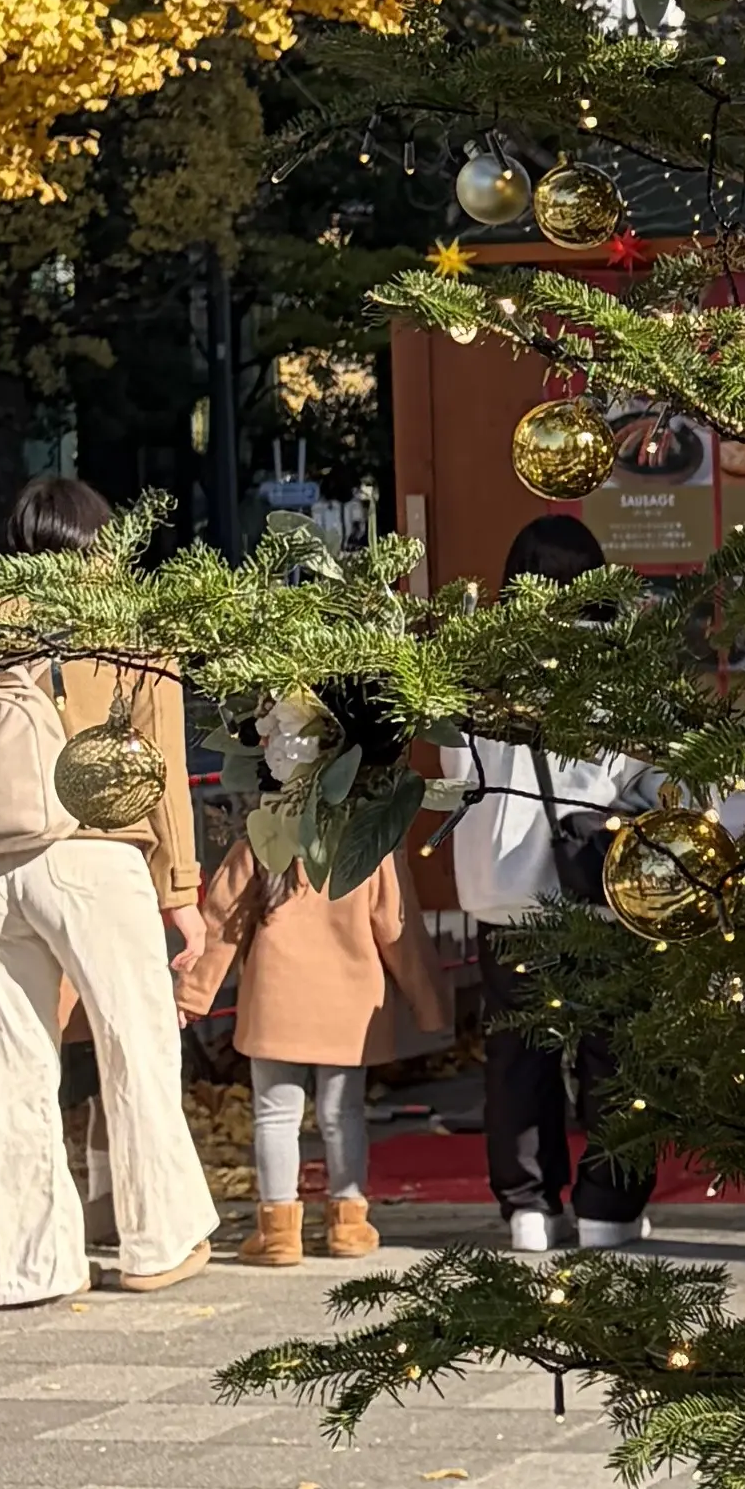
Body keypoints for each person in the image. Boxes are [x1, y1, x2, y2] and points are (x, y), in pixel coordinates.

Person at [0, 476, 219, 1307]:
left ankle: (26, 1269)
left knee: (0, 1066)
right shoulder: (126, 624)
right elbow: (160, 767)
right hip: (93, 854)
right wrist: (181, 890)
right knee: (137, 1047)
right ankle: (156, 1239)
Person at [438, 515, 663, 1253]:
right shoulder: (625, 664)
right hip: (599, 891)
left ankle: (530, 1208)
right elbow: (653, 779)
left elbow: (456, 775)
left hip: (504, 893)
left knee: (517, 1056)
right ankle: (610, 1209)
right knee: (615, 1054)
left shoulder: (474, 667)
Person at [178, 772, 449, 1265]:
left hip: (276, 1002)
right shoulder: (367, 848)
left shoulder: (259, 844)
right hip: (347, 1005)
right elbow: (398, 931)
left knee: (275, 1116)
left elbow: (221, 924)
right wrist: (429, 1005)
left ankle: (278, 1230)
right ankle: (348, 1223)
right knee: (342, 1115)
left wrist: (193, 995)